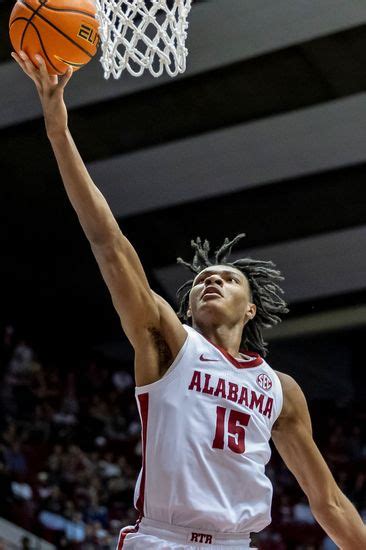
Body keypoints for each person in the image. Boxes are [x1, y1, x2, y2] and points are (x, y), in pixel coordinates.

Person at [12, 50, 366, 550]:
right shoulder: (168, 344)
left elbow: (327, 502)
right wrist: (57, 131)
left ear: (251, 309)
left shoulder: (280, 389)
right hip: (161, 540)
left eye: (227, 278)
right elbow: (107, 241)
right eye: (202, 279)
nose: (211, 282)